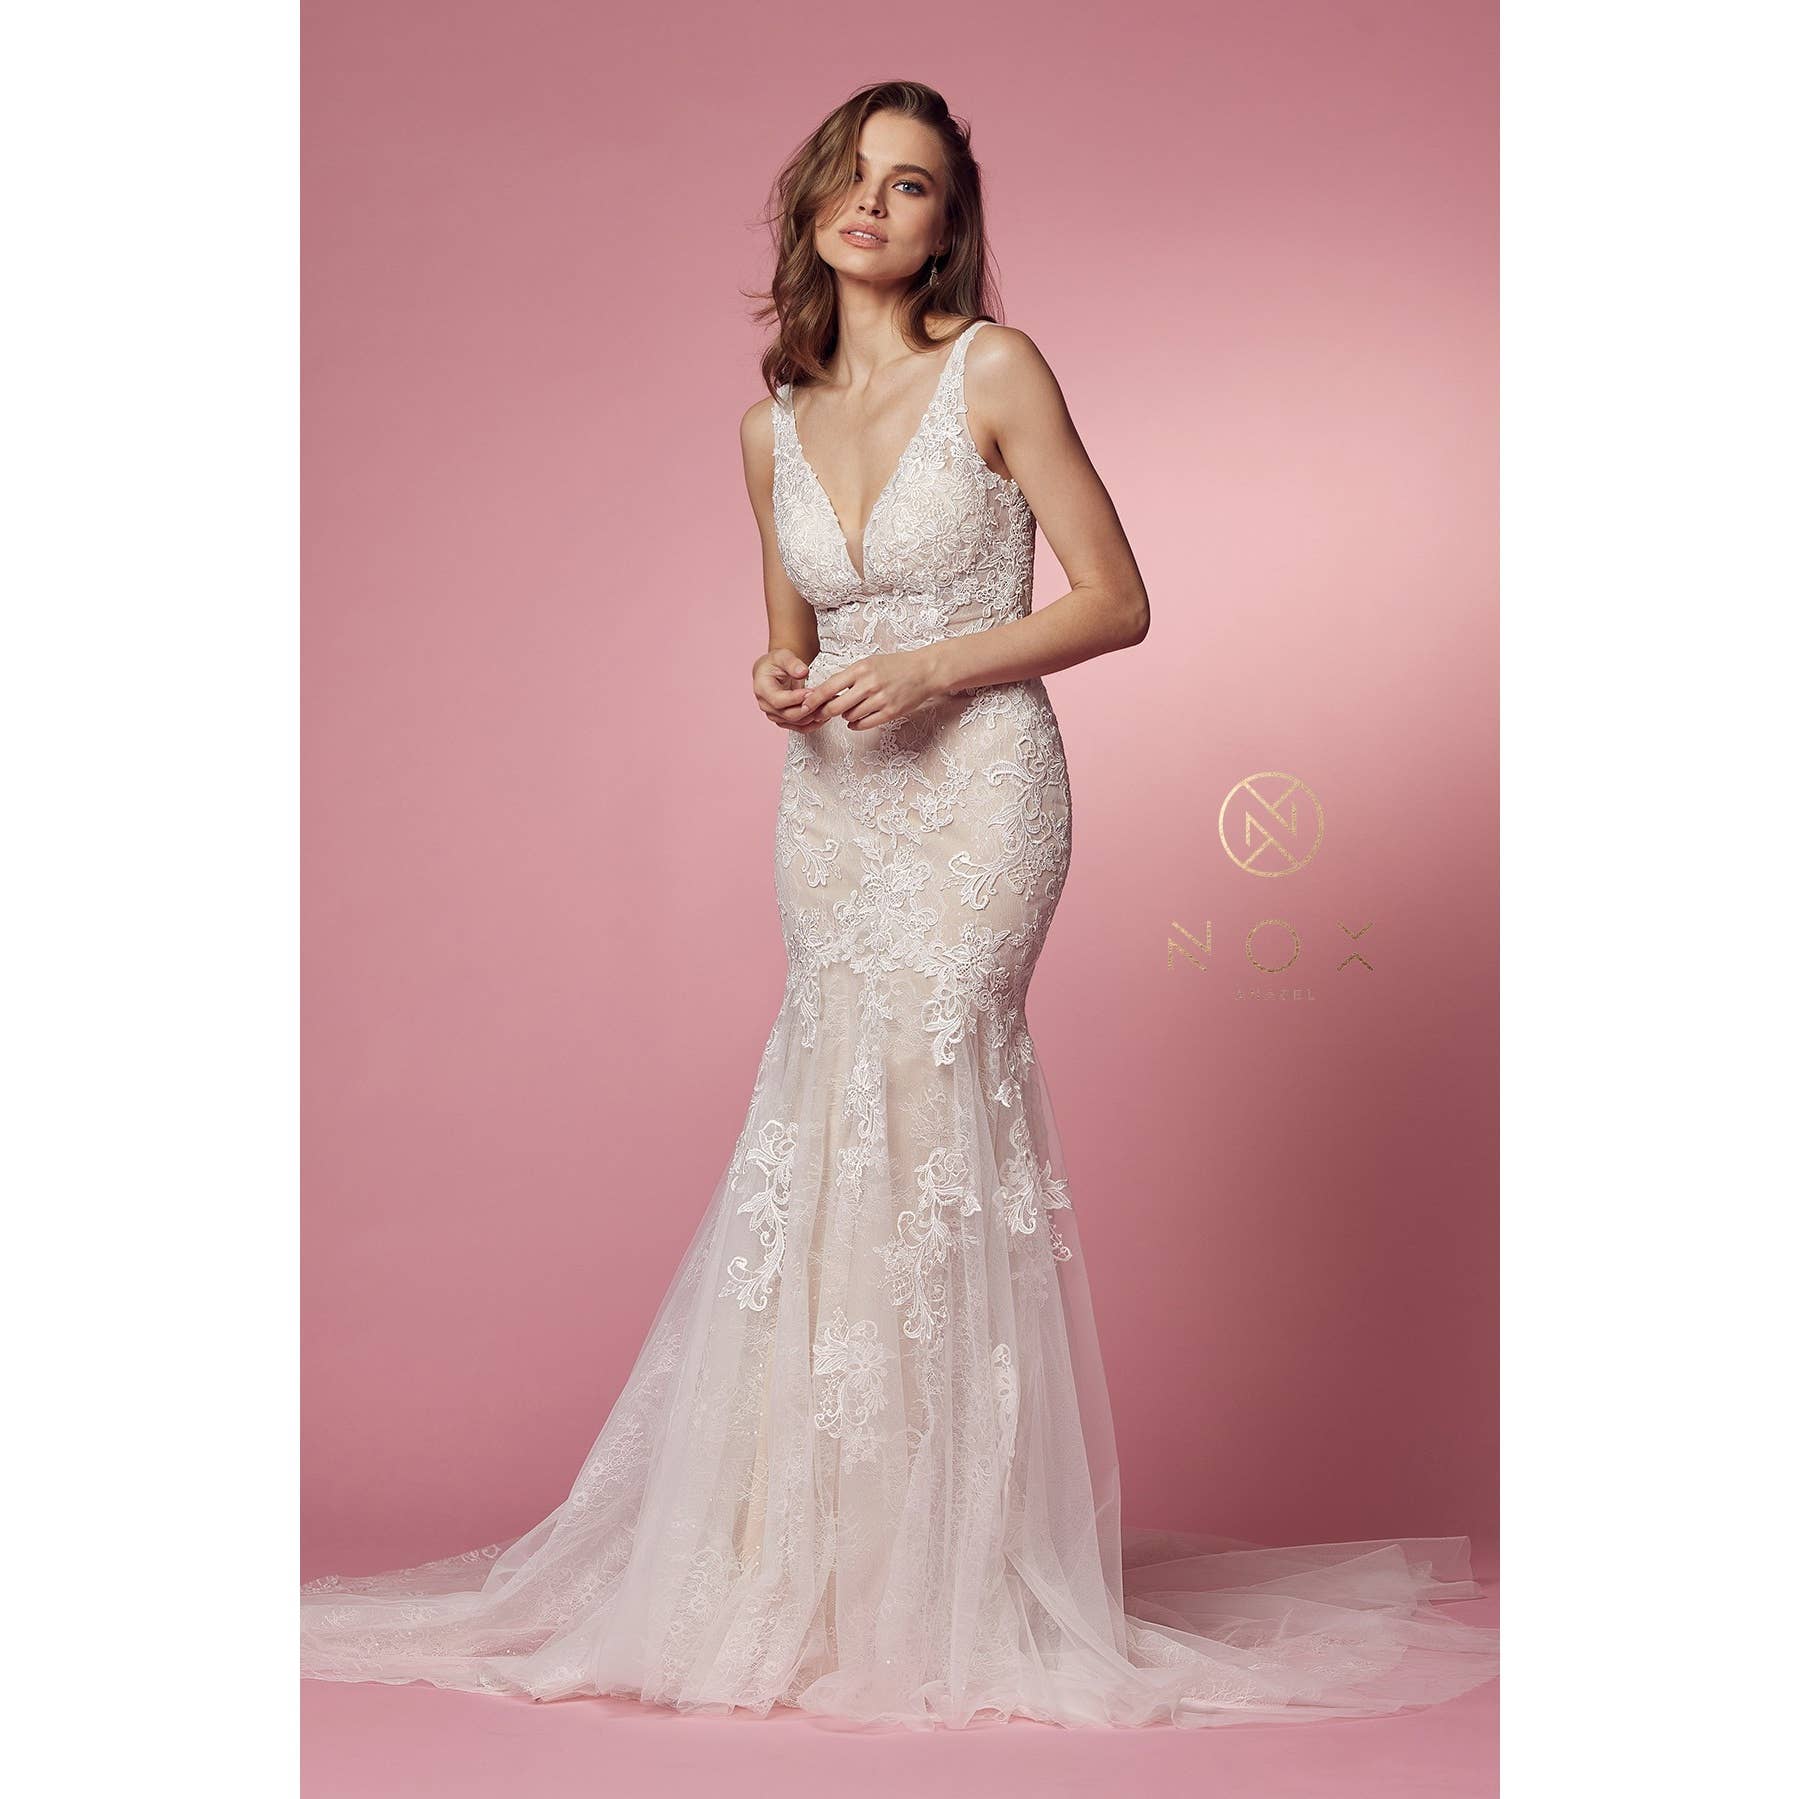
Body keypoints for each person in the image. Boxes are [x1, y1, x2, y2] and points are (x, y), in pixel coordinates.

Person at [302, 80, 1499, 1730]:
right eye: (854, 175)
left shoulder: (996, 369)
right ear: (813, 203)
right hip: (836, 809)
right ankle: (823, 1556)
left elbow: (1118, 600)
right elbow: (786, 639)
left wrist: (937, 665)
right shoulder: (768, 424)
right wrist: (776, 680)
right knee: (827, 1124)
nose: (875, 201)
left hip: (980, 791)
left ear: (947, 229)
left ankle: (957, 1564)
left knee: (936, 1111)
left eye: (913, 184)